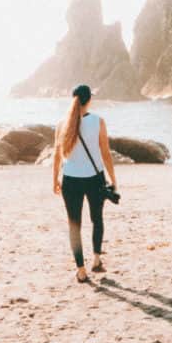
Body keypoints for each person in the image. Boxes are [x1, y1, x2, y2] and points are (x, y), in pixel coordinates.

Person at [52, 83, 118, 283]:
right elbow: (105, 154)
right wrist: (113, 179)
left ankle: (81, 270)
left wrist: (54, 178)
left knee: (74, 225)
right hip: (95, 178)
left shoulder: (62, 123)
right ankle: (97, 259)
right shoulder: (98, 121)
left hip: (70, 180)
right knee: (97, 219)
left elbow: (57, 155)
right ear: (89, 100)